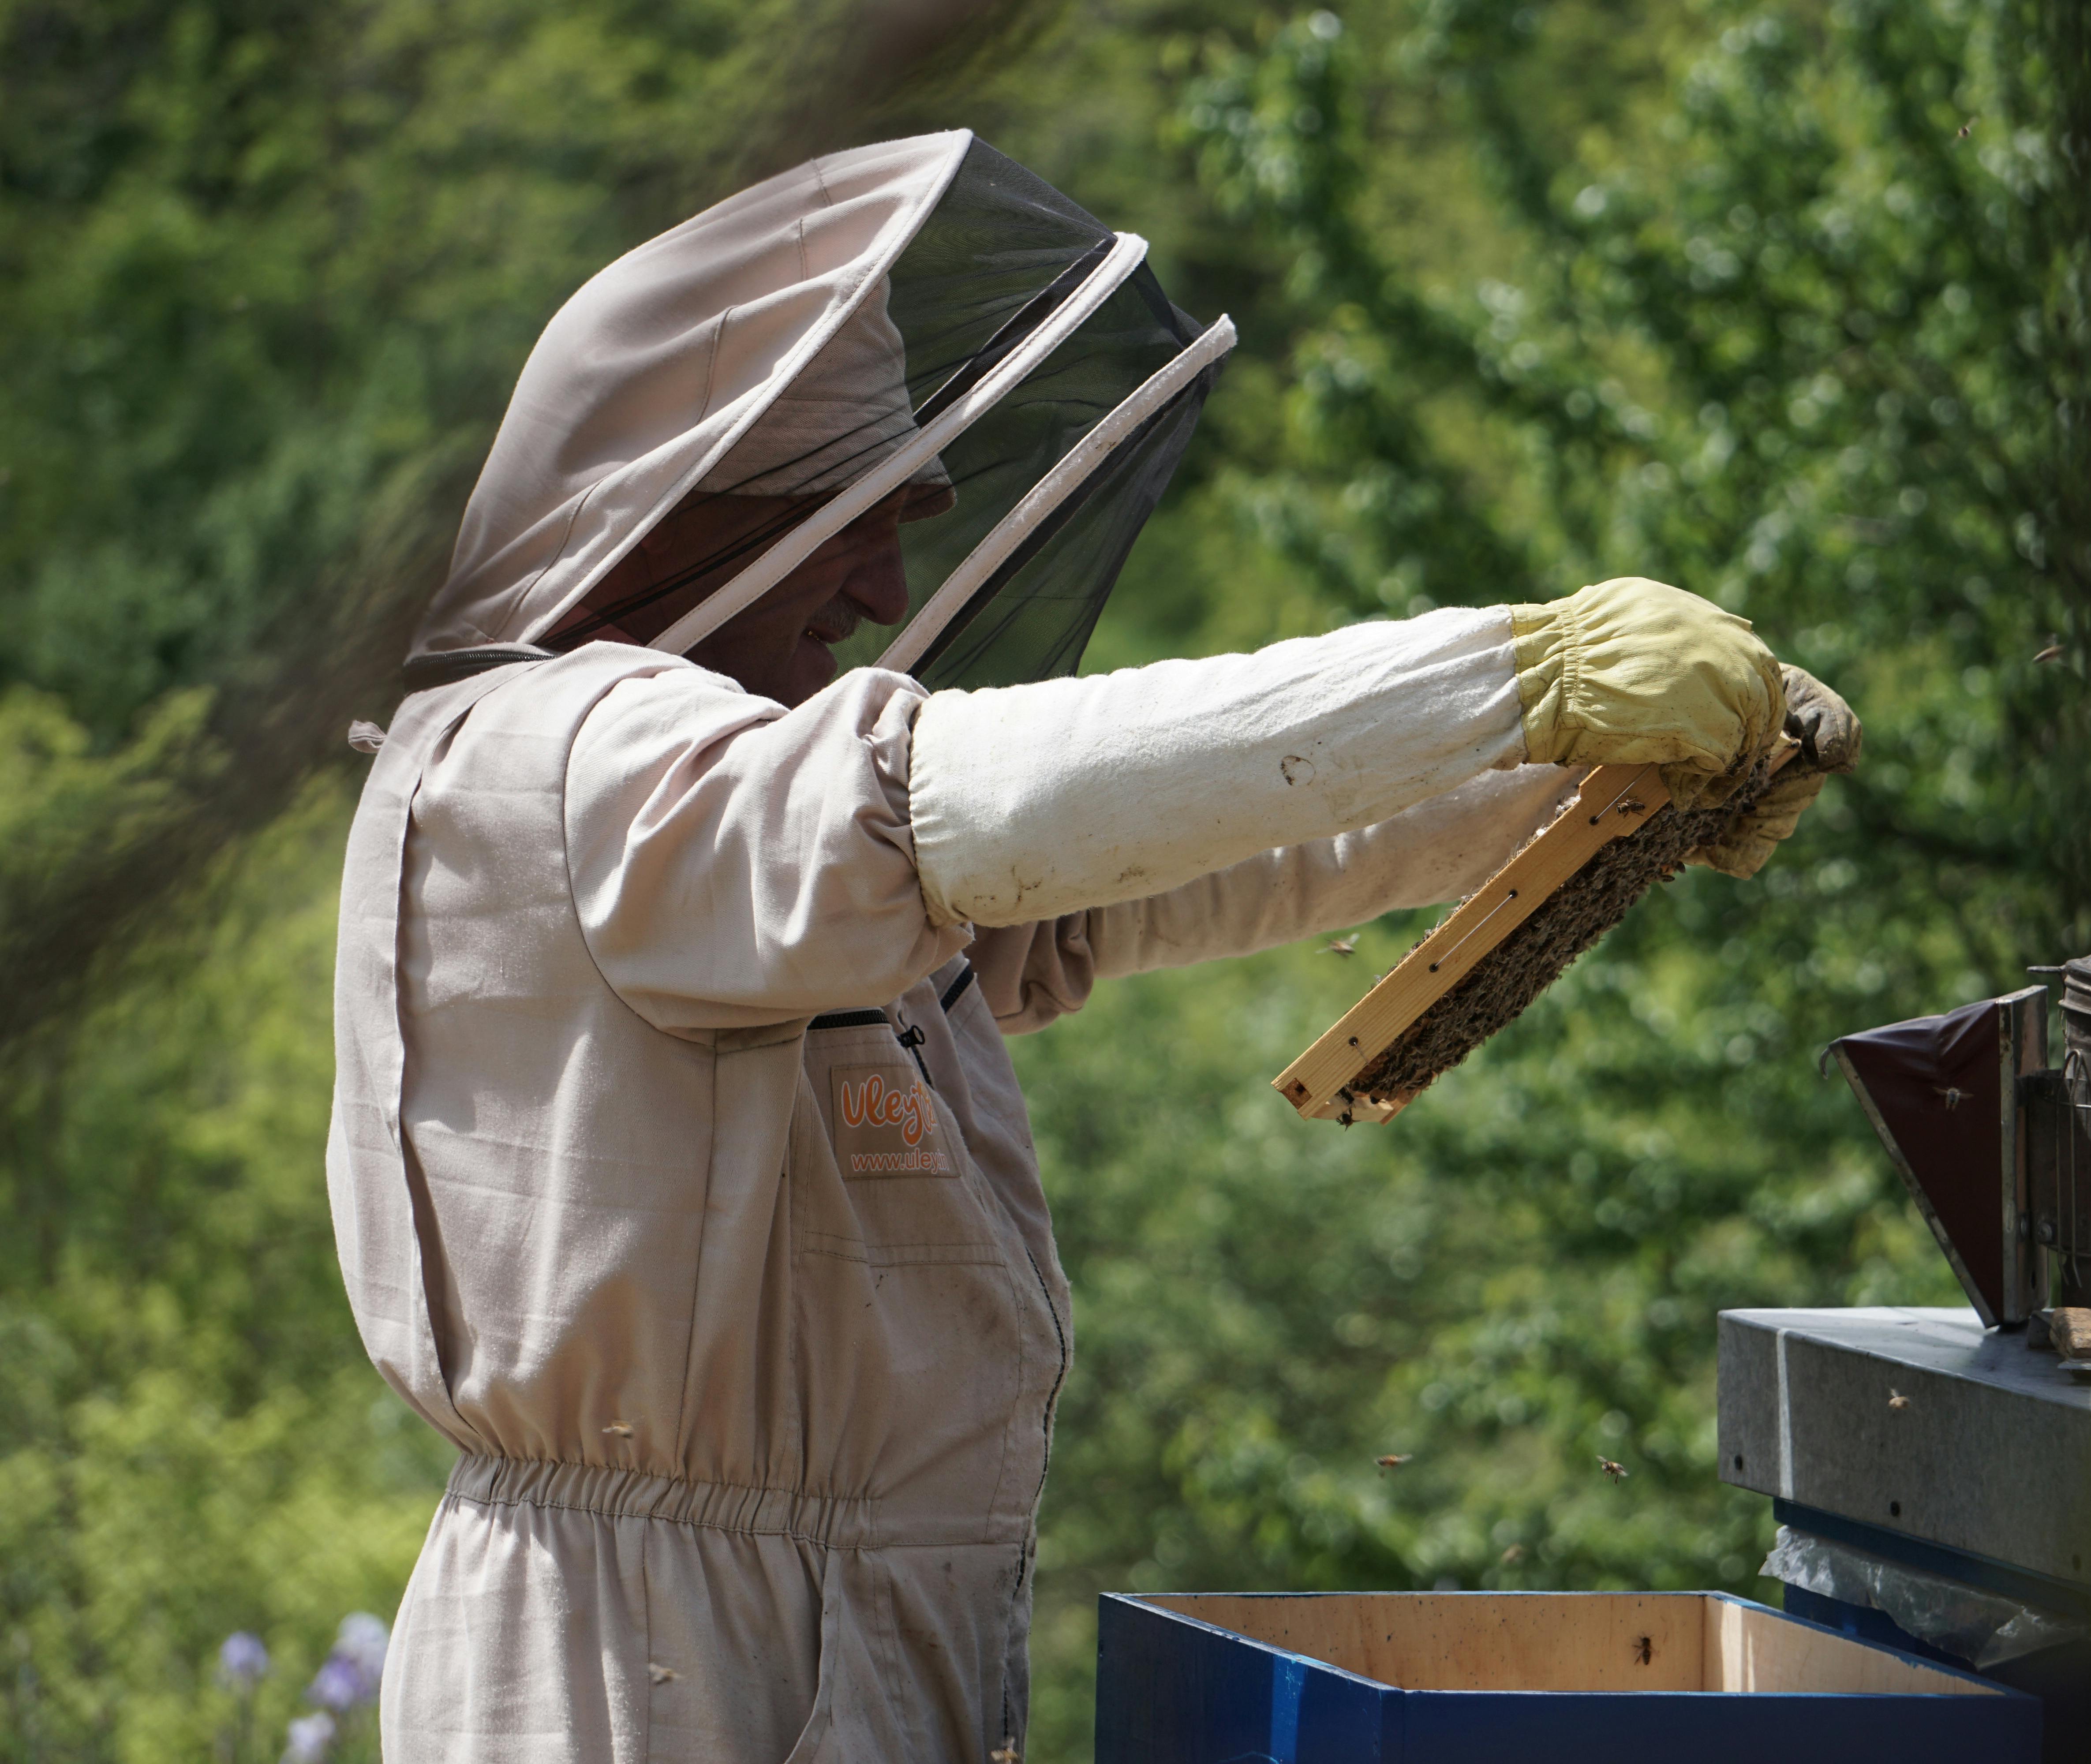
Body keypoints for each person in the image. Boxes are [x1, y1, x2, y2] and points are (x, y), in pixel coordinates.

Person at [328, 131, 1854, 1762]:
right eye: (850, 516)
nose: (884, 583)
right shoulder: (565, 764)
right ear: (699, 517)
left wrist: (1585, 786)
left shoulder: (737, 826)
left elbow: (1151, 864)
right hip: (642, 1675)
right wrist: (1514, 671)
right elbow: (965, 808)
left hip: (820, 1631)